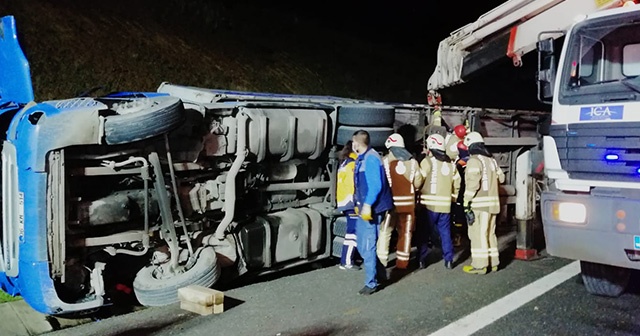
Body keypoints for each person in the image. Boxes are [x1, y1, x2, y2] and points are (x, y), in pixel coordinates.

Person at [352, 130, 394, 295]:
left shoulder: (370, 159)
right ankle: (380, 274)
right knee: (365, 245)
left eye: (353, 142)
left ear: (357, 142)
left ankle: (371, 283)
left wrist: (368, 205)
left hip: (372, 209)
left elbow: (375, 185)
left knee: (367, 246)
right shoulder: (365, 157)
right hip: (367, 208)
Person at [462, 132, 505, 275]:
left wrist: (466, 201)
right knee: (490, 234)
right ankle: (493, 263)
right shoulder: (491, 160)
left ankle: (480, 266)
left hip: (480, 205)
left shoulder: (474, 161)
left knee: (478, 235)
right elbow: (502, 178)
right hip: (493, 204)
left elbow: (473, 185)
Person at [378, 133, 424, 269]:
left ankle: (382, 261)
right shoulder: (413, 162)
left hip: (390, 204)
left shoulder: (384, 161)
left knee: (385, 231)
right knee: (405, 232)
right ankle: (403, 262)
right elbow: (418, 182)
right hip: (408, 205)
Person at [416, 133, 461, 270]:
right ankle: (449, 260)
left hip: (428, 205)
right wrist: (452, 199)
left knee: (424, 233)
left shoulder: (427, 162)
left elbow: (418, 181)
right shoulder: (451, 164)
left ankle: (421, 260)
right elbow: (457, 184)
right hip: (445, 206)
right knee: (445, 233)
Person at [336, 140, 360, 270]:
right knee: (353, 233)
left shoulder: (345, 162)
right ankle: (347, 262)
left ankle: (346, 259)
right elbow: (353, 185)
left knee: (350, 232)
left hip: (344, 201)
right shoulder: (352, 164)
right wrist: (357, 202)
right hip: (352, 202)